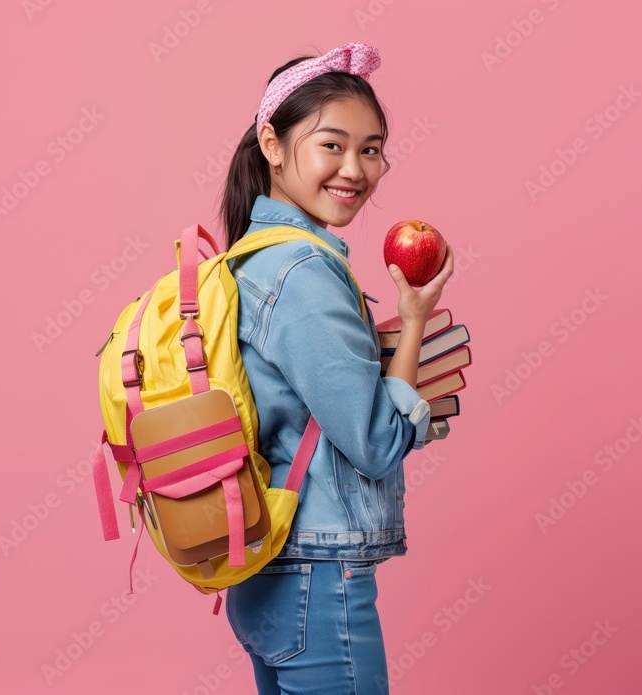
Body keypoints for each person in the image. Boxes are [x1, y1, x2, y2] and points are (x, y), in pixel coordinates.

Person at [216, 42, 454, 694]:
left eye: (371, 149)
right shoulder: (302, 271)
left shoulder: (251, 256)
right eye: (332, 145)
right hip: (315, 575)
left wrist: (405, 320)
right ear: (271, 143)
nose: (356, 168)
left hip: (269, 571)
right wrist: (412, 323)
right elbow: (375, 441)